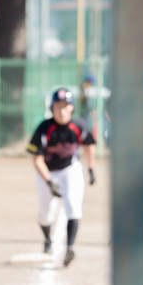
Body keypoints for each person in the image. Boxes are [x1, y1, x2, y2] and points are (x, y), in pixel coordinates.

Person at [27, 88, 96, 267]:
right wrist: (49, 181)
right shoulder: (44, 127)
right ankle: (48, 240)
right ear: (52, 108)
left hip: (69, 170)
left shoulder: (78, 125)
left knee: (73, 207)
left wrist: (91, 169)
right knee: (45, 214)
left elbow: (89, 146)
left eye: (66, 106)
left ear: (72, 108)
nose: (62, 110)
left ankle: (70, 248)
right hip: (47, 173)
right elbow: (37, 159)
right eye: (58, 106)